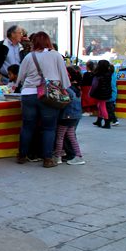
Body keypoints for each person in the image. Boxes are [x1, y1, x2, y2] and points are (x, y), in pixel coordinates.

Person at [15, 31, 71, 168]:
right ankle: (47, 158)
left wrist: (17, 85)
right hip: (49, 95)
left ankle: (22, 155)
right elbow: (64, 76)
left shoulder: (29, 56)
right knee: (49, 128)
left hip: (28, 94)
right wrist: (64, 88)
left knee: (27, 126)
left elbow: (20, 76)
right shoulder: (56, 55)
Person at [53, 66, 85, 165]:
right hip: (75, 116)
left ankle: (58, 156)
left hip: (66, 116)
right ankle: (78, 155)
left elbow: (63, 102)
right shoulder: (77, 88)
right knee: (71, 136)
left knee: (60, 136)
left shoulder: (67, 89)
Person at [90, 59, 113, 129]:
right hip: (106, 92)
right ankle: (99, 120)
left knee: (102, 106)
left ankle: (107, 122)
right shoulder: (109, 73)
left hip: (100, 92)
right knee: (100, 105)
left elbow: (94, 84)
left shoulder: (98, 74)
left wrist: (91, 92)